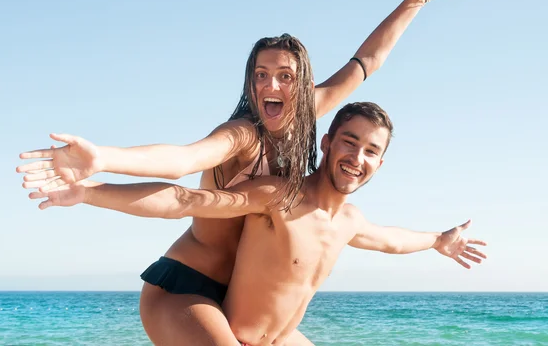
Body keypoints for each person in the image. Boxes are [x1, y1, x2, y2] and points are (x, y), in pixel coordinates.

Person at [17, 0, 464, 346]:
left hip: (237, 298)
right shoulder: (241, 136)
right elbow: (181, 166)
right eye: (261, 75)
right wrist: (101, 163)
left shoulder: (312, 113)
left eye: (285, 76)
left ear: (304, 85)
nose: (272, 86)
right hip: (188, 288)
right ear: (250, 83)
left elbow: (369, 60)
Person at [28, 102, 488, 346]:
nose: (357, 157)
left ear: (380, 164)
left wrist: (437, 241)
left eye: (371, 151)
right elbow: (189, 198)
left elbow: (391, 241)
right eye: (350, 142)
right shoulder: (278, 194)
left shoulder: (349, 220)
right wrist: (91, 193)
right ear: (327, 143)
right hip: (221, 328)